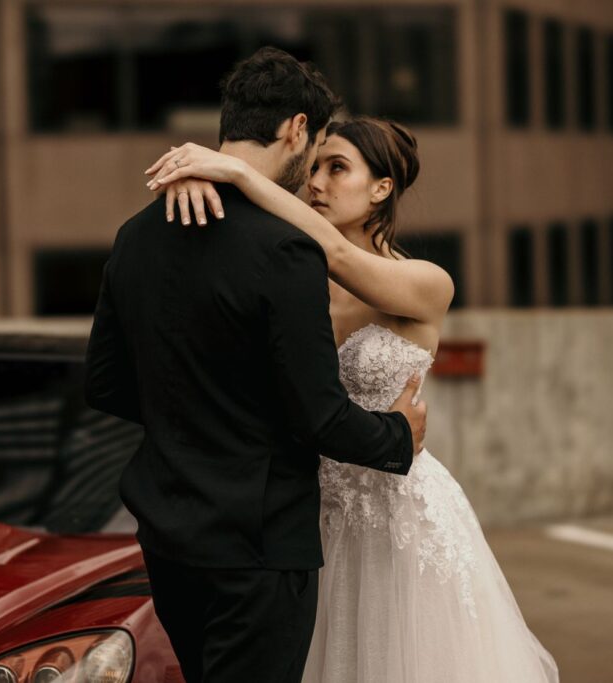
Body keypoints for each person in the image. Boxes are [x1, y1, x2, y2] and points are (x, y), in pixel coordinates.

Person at [145, 116, 560, 682]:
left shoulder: (425, 282)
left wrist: (233, 170)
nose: (316, 182)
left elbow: (340, 256)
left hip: (396, 514)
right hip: (302, 512)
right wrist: (192, 178)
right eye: (313, 166)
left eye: (337, 168)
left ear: (381, 188)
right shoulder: (295, 278)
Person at [84, 48, 428, 683]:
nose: (314, 173)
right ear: (297, 129)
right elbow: (318, 416)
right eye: (318, 144)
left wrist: (190, 414)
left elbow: (104, 382)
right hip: (258, 546)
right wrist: (398, 435)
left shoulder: (135, 234)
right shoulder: (284, 249)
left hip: (167, 537)